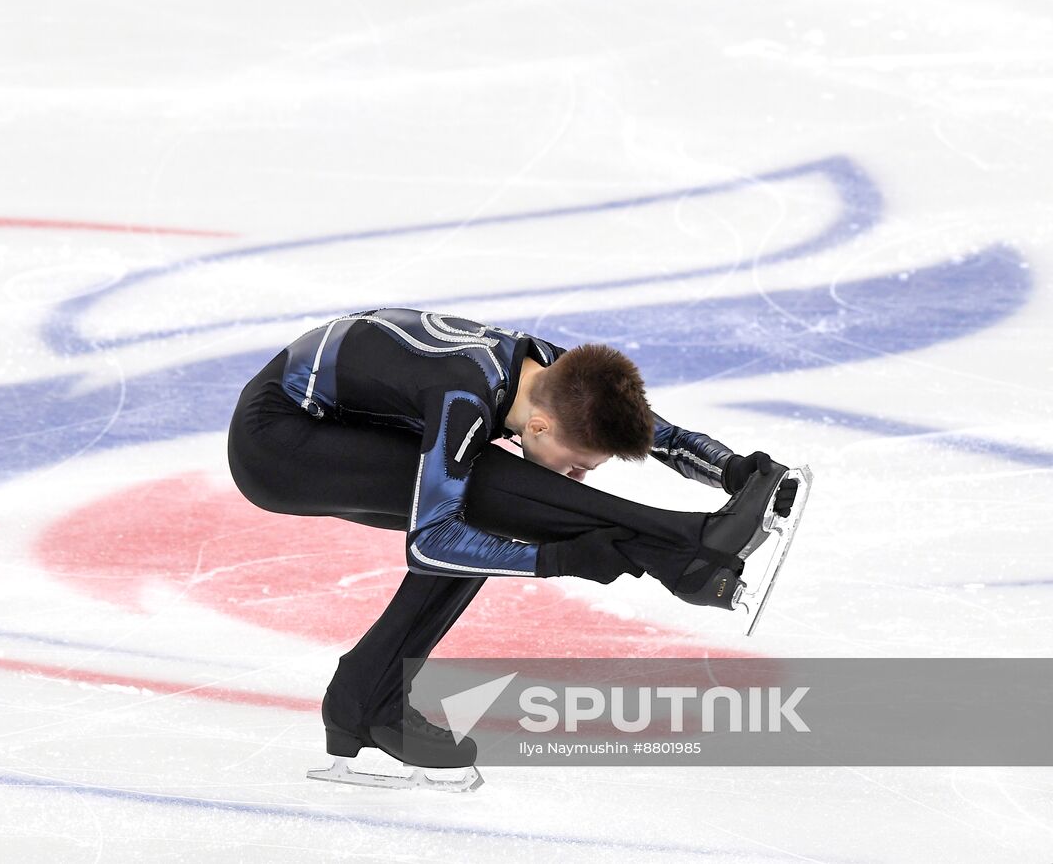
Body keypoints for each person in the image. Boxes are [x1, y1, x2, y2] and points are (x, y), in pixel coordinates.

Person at [226, 307, 796, 774]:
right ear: (542, 427)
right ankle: (683, 546)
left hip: (351, 421)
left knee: (489, 501)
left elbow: (658, 435)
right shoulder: (463, 398)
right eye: (578, 464)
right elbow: (432, 542)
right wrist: (561, 558)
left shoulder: (554, 373)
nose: (576, 477)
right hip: (278, 445)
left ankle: (365, 702)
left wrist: (733, 471)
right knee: (479, 496)